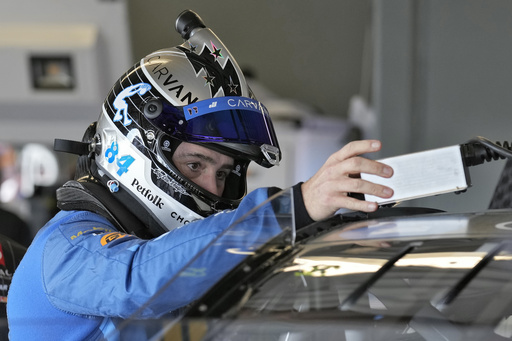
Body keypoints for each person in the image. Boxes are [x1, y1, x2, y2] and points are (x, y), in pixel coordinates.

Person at [6, 10, 394, 340]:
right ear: (133, 149)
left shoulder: (173, 260)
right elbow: (139, 279)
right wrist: (296, 208)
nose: (212, 187)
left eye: (224, 173)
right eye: (196, 165)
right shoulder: (63, 248)